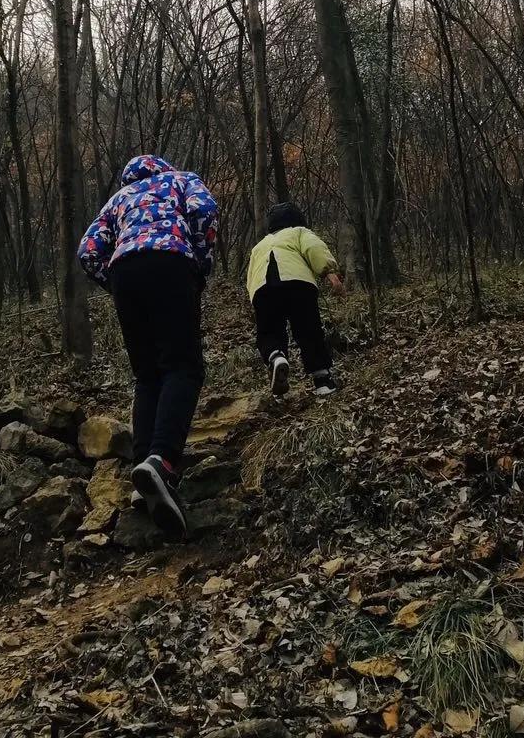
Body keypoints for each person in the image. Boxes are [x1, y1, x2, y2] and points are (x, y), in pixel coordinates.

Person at [78, 154, 218, 537]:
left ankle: (144, 472)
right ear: (162, 167)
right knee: (183, 366)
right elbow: (204, 210)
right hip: (171, 262)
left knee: (147, 374)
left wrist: (114, 283)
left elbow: (87, 250)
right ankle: (162, 461)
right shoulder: (180, 180)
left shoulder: (117, 200)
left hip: (125, 272)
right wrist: (200, 264)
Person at [246, 201, 343, 397]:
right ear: (298, 219)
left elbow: (250, 274)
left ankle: (276, 356)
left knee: (269, 330)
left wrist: (254, 299)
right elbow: (313, 247)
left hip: (263, 287)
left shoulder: (259, 246)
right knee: (308, 329)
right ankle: (322, 380)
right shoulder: (299, 232)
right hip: (297, 283)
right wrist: (329, 272)